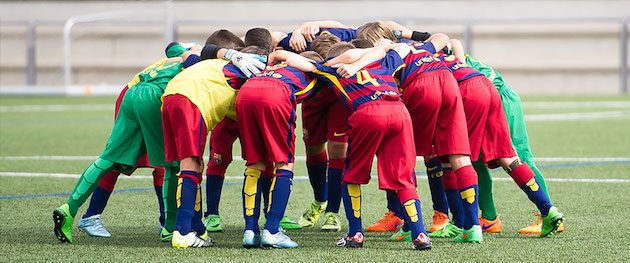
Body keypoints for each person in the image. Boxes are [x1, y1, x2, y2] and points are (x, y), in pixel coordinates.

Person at [274, 41, 433, 250]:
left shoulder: (334, 70)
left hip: (368, 111)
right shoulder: (383, 62)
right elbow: (400, 48)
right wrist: (367, 55)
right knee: (404, 178)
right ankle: (419, 234)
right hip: (399, 112)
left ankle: (355, 234)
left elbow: (303, 63)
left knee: (352, 176)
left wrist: (278, 56)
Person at [52, 43, 190, 244]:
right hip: (153, 99)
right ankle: (169, 227)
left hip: (131, 95)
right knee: (167, 165)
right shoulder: (193, 58)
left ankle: (69, 209)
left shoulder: (162, 63)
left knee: (108, 159)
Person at [450, 39, 565, 235]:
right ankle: (489, 217)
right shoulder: (449, 56)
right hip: (484, 102)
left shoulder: (452, 60)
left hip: (501, 101)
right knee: (476, 159)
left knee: (519, 157)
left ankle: (547, 214)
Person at [161, 41, 267, 248]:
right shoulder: (251, 70)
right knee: (190, 166)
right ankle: (182, 232)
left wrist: (229, 53)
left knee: (192, 165)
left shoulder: (215, 63)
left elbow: (194, 52)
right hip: (193, 102)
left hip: (170, 97)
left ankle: (196, 227)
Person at [236, 50, 322, 248]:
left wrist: (277, 57)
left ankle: (250, 230)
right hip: (276, 94)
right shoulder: (314, 69)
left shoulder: (278, 66)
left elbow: (279, 53)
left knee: (255, 163)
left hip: (247, 91)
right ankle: (273, 230)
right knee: (285, 162)